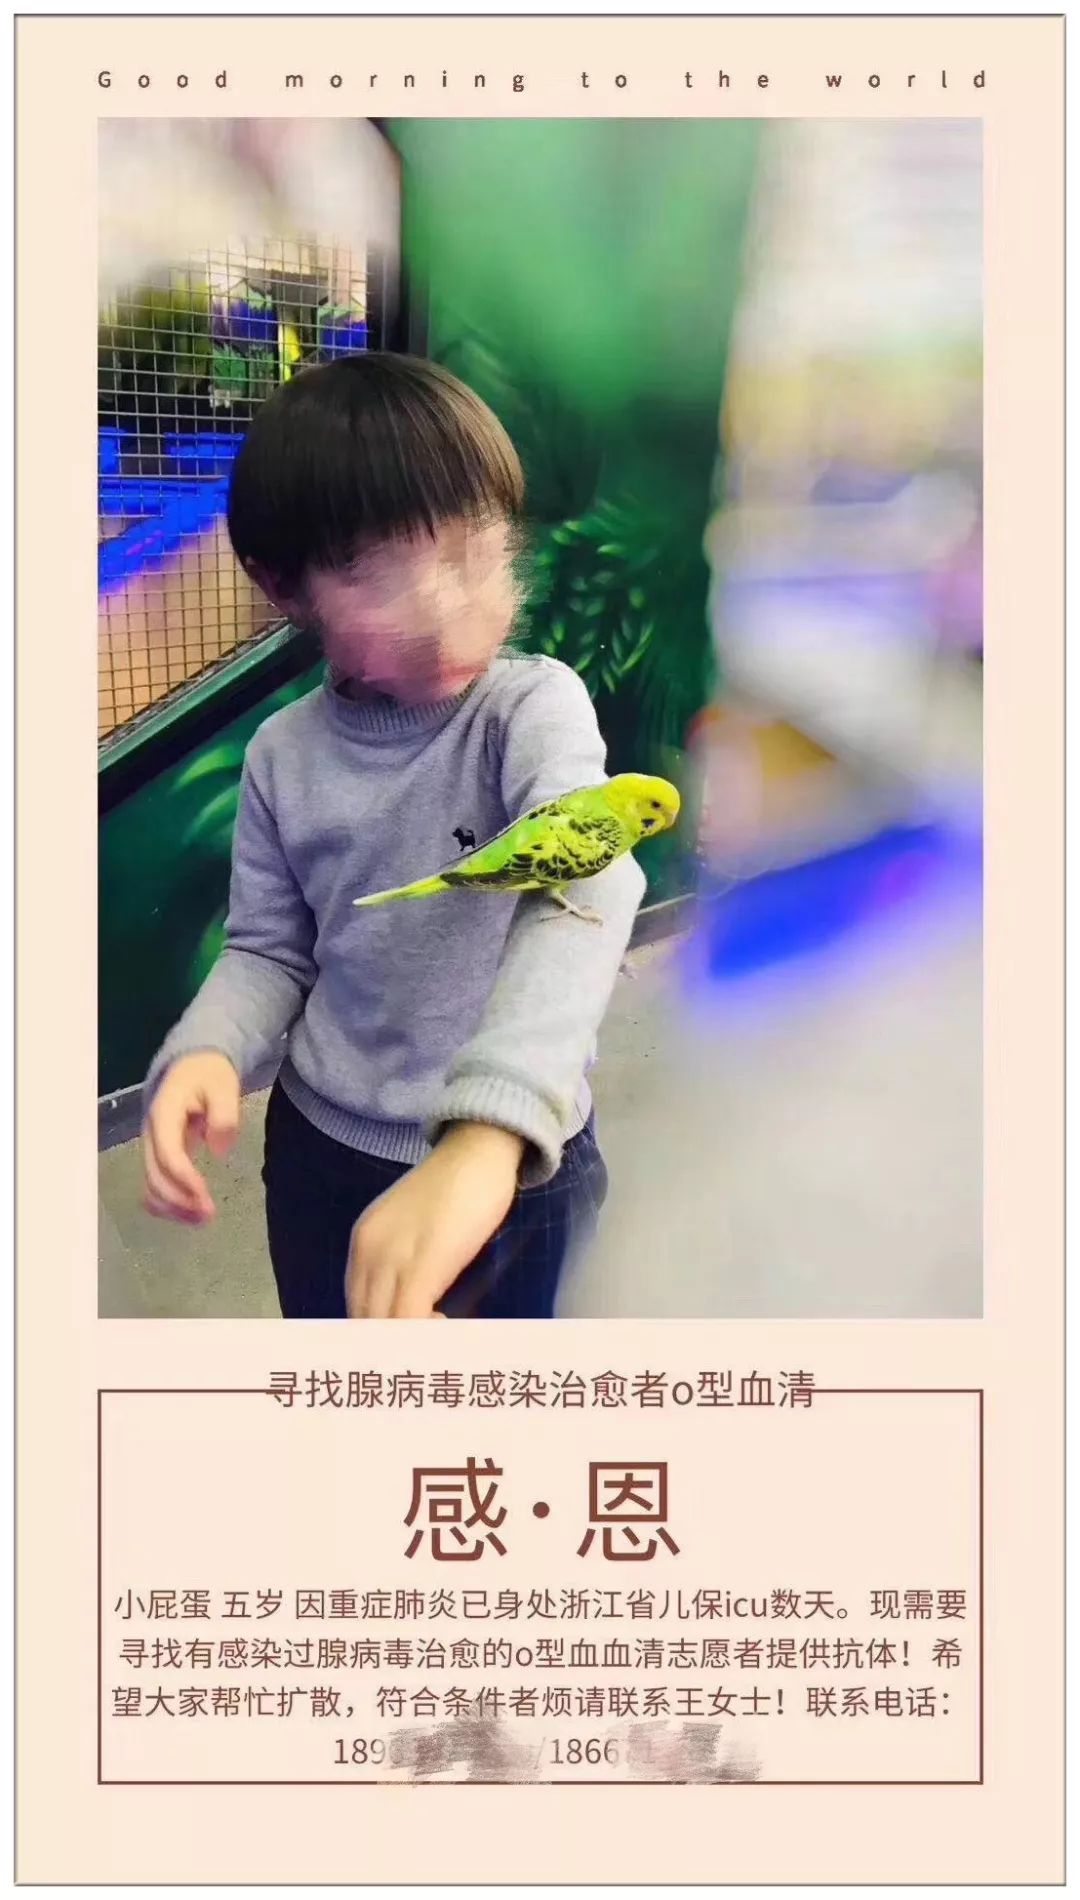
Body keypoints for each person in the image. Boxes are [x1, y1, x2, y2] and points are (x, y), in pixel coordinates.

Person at [141, 353, 645, 1319]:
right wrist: (209, 1047)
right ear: (284, 587)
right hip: (324, 1156)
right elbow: (269, 950)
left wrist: (488, 1135)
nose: (448, 611)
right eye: (378, 575)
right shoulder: (282, 756)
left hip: (519, 1161)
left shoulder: (529, 709)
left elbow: (588, 881)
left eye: (472, 554)